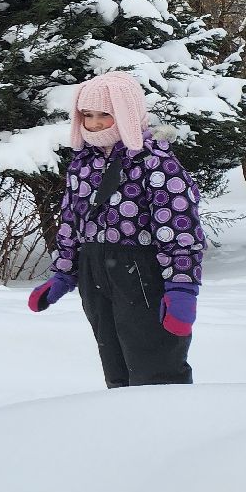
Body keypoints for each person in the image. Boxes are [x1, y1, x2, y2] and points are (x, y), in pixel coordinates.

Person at [27, 71, 202, 387]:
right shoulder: (84, 161)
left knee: (156, 367)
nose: (93, 124)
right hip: (95, 271)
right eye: (87, 115)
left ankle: (173, 428)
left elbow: (179, 228)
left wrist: (182, 286)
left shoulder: (155, 161)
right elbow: (72, 220)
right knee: (116, 366)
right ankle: (124, 426)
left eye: (103, 115)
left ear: (125, 113)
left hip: (140, 272)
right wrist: (65, 272)